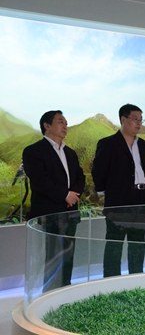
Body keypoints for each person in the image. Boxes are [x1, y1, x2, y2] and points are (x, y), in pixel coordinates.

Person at [22, 110, 85, 291]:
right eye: (60, 122)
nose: (65, 125)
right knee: (52, 256)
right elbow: (40, 181)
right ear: (47, 125)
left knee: (68, 254)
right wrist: (65, 195)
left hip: (70, 212)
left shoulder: (70, 153)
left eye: (66, 122)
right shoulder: (33, 151)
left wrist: (73, 196)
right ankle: (50, 294)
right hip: (49, 213)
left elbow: (80, 178)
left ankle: (65, 291)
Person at [92, 104, 145, 277]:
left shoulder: (144, 145)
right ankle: (111, 282)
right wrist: (106, 193)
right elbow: (98, 171)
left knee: (138, 244)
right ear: (123, 119)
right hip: (119, 202)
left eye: (141, 119)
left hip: (141, 200)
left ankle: (136, 280)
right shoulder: (108, 144)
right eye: (135, 119)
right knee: (114, 244)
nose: (139, 123)